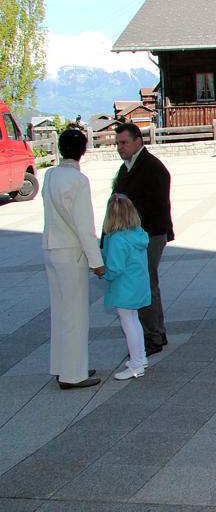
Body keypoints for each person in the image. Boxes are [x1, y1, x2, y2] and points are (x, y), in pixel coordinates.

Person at [43, 129, 104, 389]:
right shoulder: (78, 180)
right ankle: (73, 374)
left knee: (60, 312)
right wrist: (96, 260)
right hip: (71, 252)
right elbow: (83, 225)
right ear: (83, 151)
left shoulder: (50, 175)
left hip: (51, 248)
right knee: (75, 315)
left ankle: (62, 366)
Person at [112, 122, 174, 356]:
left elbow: (155, 205)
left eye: (124, 143)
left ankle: (153, 337)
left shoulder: (152, 167)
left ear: (138, 141)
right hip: (134, 234)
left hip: (151, 233)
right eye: (118, 143)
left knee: (145, 283)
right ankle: (157, 332)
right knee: (146, 283)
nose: (120, 147)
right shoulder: (126, 168)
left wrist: (127, 215)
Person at [100, 194, 151, 381]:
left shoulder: (117, 239)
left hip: (124, 288)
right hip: (136, 285)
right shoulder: (138, 233)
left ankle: (136, 364)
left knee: (128, 324)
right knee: (134, 322)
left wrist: (101, 272)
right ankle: (140, 358)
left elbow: (114, 268)